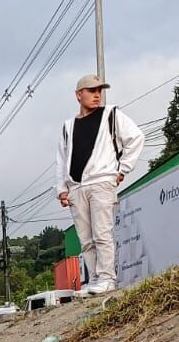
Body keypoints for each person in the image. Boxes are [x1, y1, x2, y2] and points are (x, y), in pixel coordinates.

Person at [55, 76, 145, 295]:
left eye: (100, 91)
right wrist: (61, 189)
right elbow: (61, 159)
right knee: (85, 239)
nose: (97, 95)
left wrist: (123, 169)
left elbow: (136, 137)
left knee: (102, 232)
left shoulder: (111, 114)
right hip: (76, 187)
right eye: (91, 90)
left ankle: (106, 278)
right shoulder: (69, 126)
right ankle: (94, 279)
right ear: (79, 95)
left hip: (101, 181)